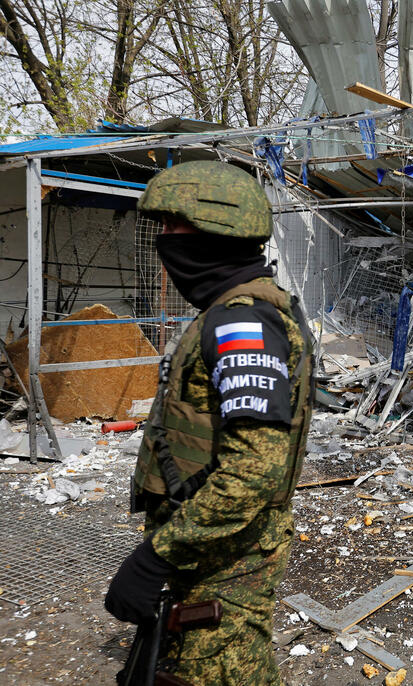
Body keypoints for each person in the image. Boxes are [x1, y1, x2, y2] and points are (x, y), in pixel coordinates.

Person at [105, 161, 313, 684]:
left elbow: (253, 472)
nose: (165, 240)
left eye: (174, 226)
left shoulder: (243, 321)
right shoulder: (231, 310)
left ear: (216, 230)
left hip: (225, 558)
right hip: (210, 551)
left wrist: (156, 557)